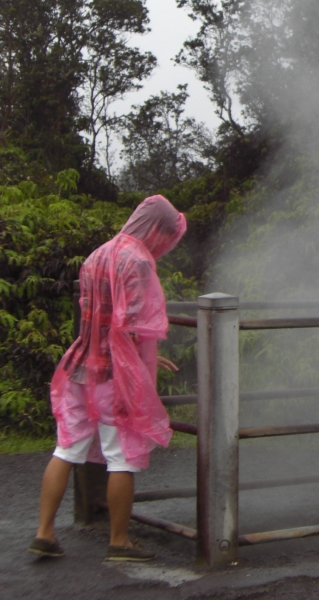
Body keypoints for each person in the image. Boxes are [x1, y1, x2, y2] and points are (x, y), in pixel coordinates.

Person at [28, 195, 187, 562]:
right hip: (114, 376)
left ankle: (44, 533)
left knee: (66, 450)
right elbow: (130, 325)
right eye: (164, 233)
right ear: (155, 229)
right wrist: (140, 364)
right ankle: (119, 542)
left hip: (80, 368)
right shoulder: (138, 261)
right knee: (121, 458)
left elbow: (98, 320)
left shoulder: (97, 254)